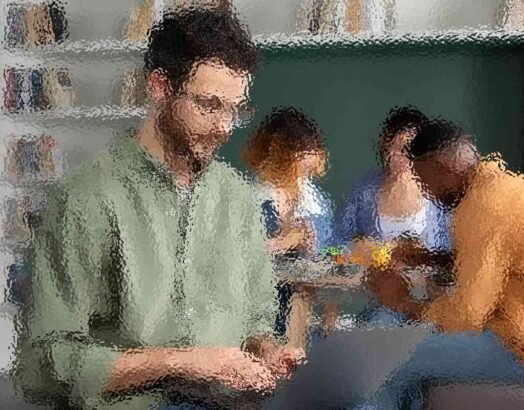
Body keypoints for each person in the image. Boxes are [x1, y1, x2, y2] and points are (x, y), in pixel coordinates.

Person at [13, 9, 301, 409]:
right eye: (208, 105)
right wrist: (183, 363)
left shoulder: (237, 197)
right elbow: (46, 364)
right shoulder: (86, 197)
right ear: (160, 87)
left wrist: (266, 351)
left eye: (234, 110)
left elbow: (256, 318)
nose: (224, 127)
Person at [366, 119, 524, 390]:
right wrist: (432, 258)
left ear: (441, 167)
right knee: (396, 347)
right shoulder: (502, 187)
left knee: (386, 358)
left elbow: (466, 317)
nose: (427, 192)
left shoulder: (483, 207)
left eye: (423, 181)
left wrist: (403, 303)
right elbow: (502, 266)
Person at [335, 106, 450, 326]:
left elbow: (449, 259)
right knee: (378, 325)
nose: (400, 157)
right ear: (384, 146)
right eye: (395, 148)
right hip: (380, 301)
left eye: (410, 150)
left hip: (430, 304)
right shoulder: (364, 190)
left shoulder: (438, 195)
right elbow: (333, 245)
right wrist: (358, 250)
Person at [241, 107, 335, 348]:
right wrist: (284, 242)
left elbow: (326, 254)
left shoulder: (315, 201)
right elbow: (239, 257)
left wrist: (309, 243)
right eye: (300, 155)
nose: (307, 169)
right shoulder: (249, 197)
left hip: (307, 305)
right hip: (256, 307)